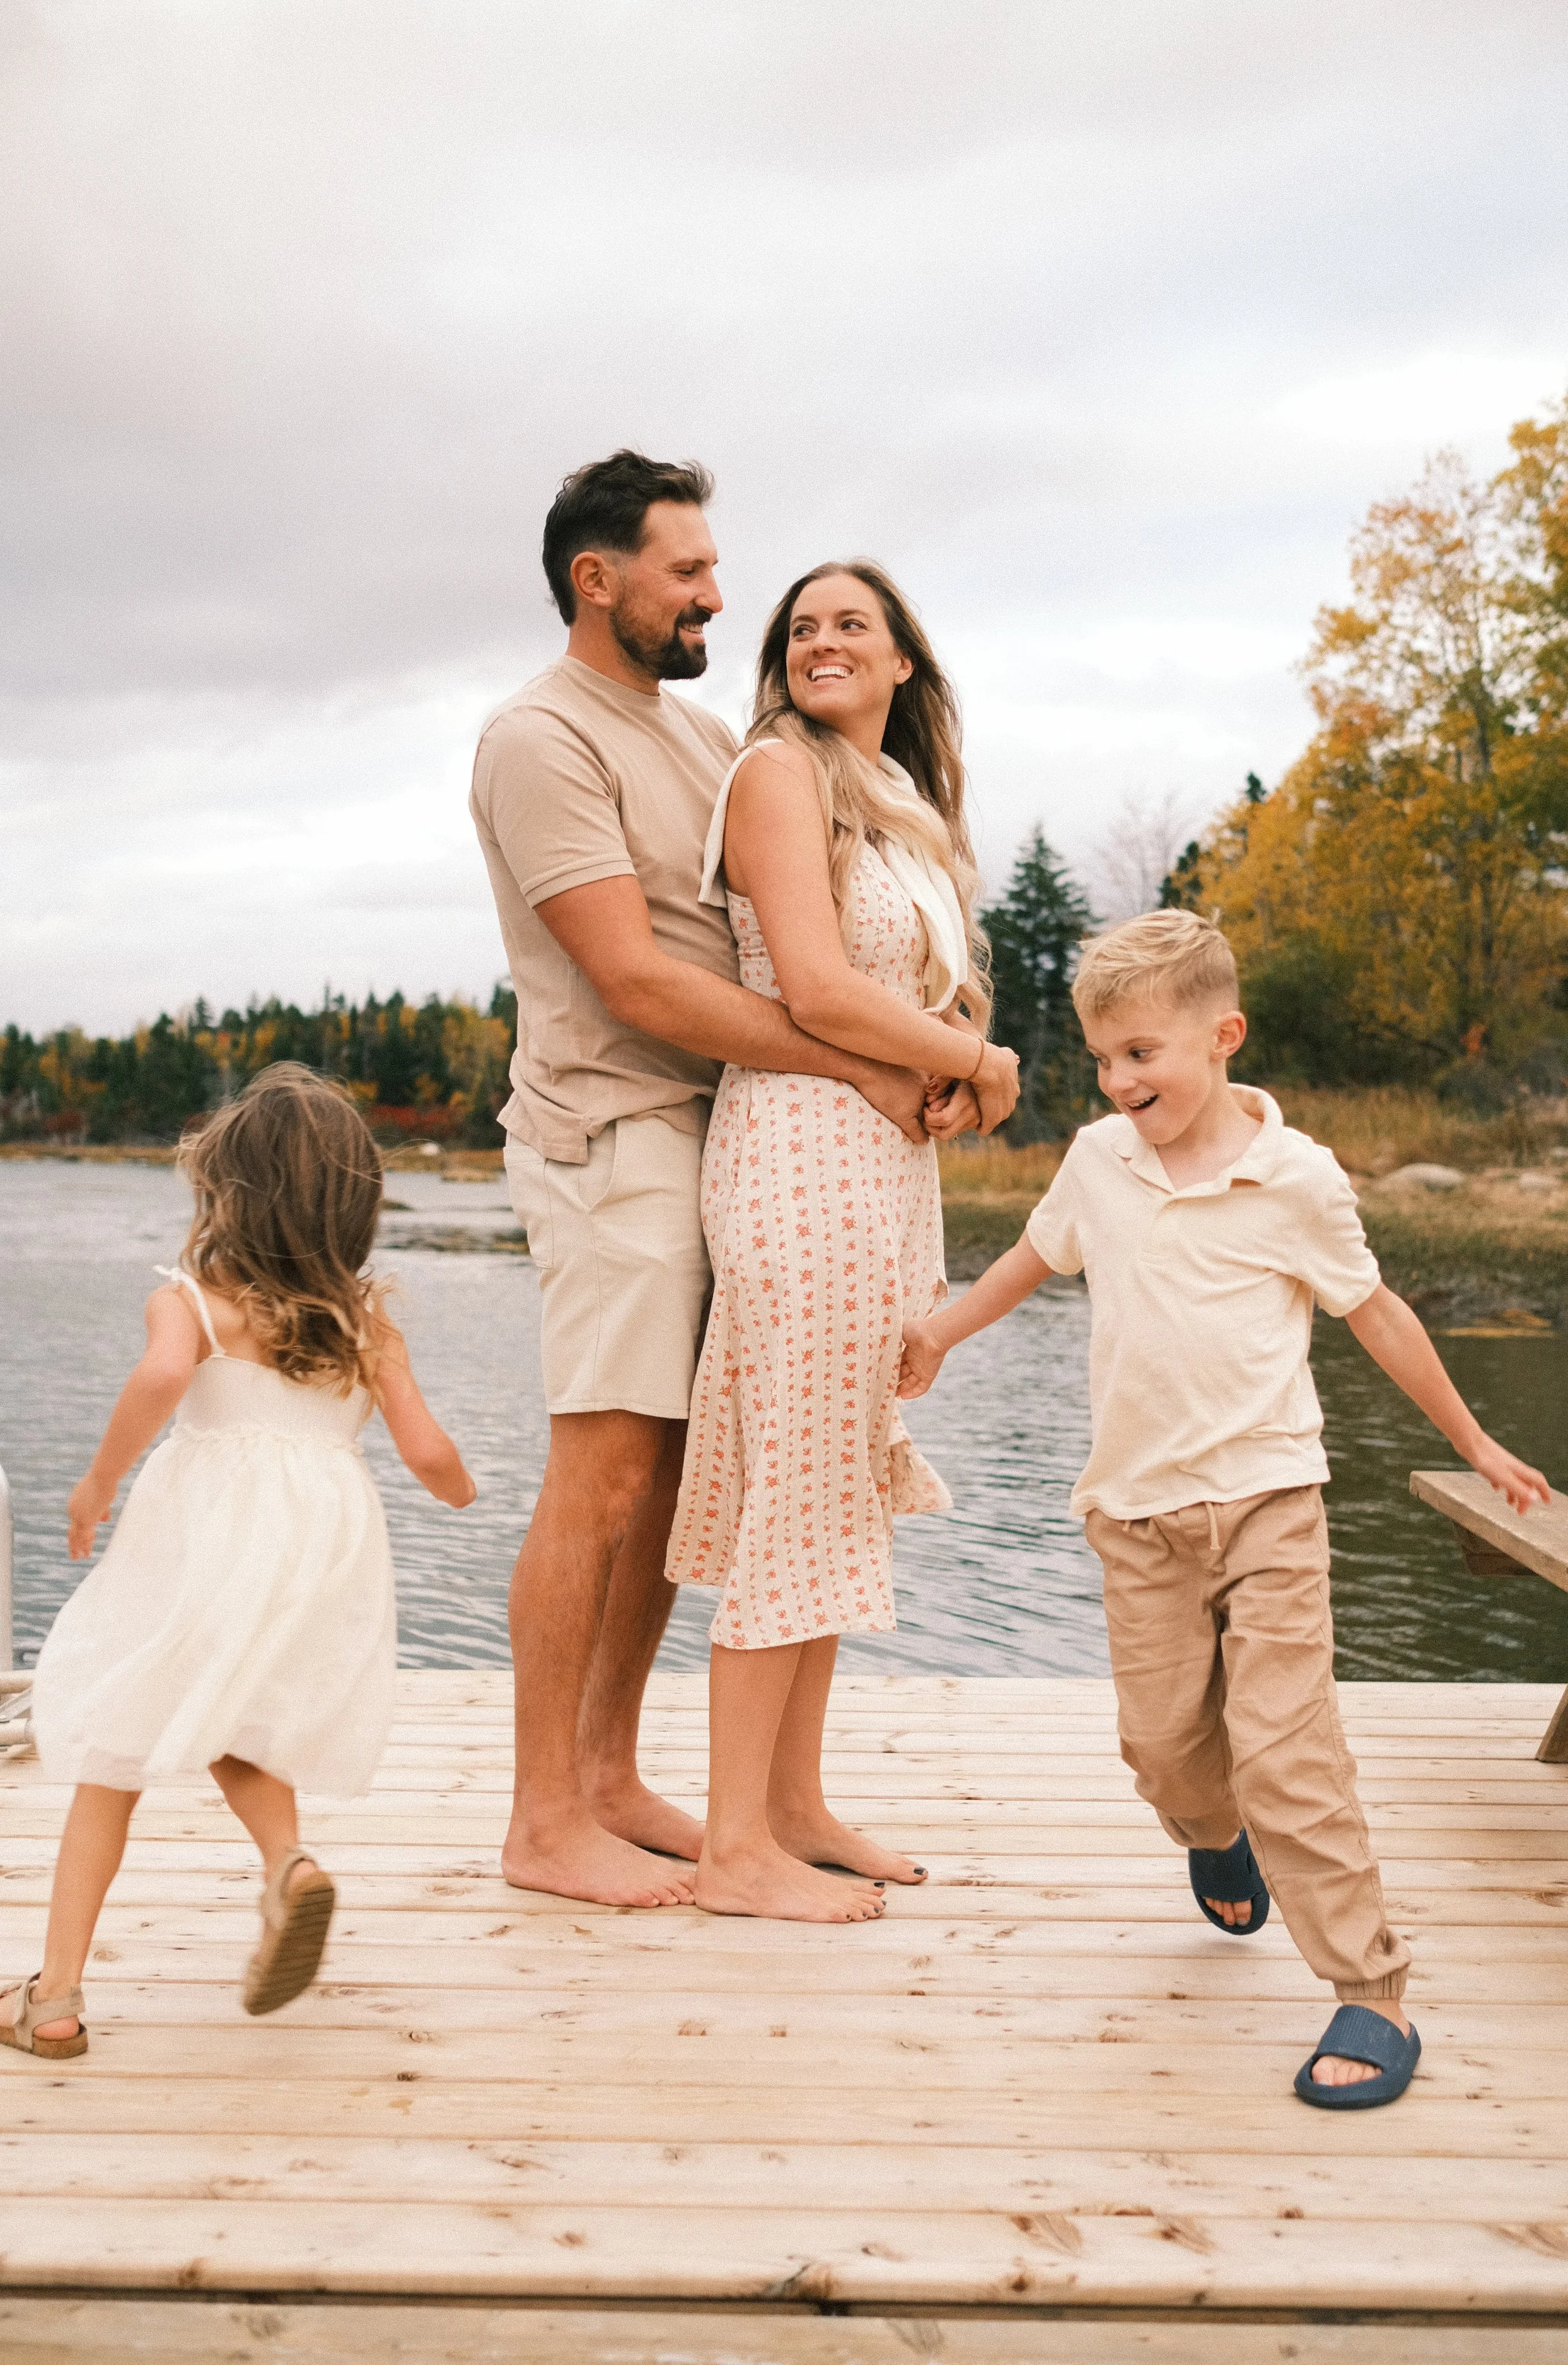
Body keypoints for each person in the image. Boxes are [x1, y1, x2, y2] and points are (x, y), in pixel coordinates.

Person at [897, 909, 1548, 2105]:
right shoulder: (1099, 1158)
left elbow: (1379, 1313)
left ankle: (1372, 1989)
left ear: (1222, 1035)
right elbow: (1034, 1260)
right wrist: (939, 1328)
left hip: (1266, 1502)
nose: (1118, 1078)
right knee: (1164, 1753)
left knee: (1291, 1748)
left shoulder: (1294, 1176)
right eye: (1103, 1057)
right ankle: (1215, 1836)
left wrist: (1476, 1439)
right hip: (1137, 1514)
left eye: (1142, 1052)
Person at [470, 454, 950, 1910]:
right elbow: (632, 980)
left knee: (684, 1476)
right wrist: (859, 1067)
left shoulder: (691, 735)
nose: (715, 596)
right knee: (604, 1467)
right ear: (595, 579)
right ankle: (543, 1815)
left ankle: (612, 1776)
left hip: (724, 1134)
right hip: (610, 1133)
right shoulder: (540, 739)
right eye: (686, 570)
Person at [666, 561, 1020, 1922]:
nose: (822, 641)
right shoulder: (776, 775)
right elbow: (810, 987)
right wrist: (979, 1063)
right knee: (793, 1489)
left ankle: (794, 1808)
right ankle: (730, 1852)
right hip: (795, 1158)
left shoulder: (907, 810)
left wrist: (945, 1067)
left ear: (900, 665)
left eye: (849, 626)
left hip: (881, 1167)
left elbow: (902, 992)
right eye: (801, 627)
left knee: (833, 1478)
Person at [0, 1065, 474, 2060]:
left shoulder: (195, 1303)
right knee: (236, 1711)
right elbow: (427, 1450)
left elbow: (167, 1375)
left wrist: (97, 1481)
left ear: (227, 1193)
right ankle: (287, 1865)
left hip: (208, 1530)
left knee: (113, 1747)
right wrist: (466, 1492)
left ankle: (56, 1995)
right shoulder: (365, 1314)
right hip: (321, 1538)